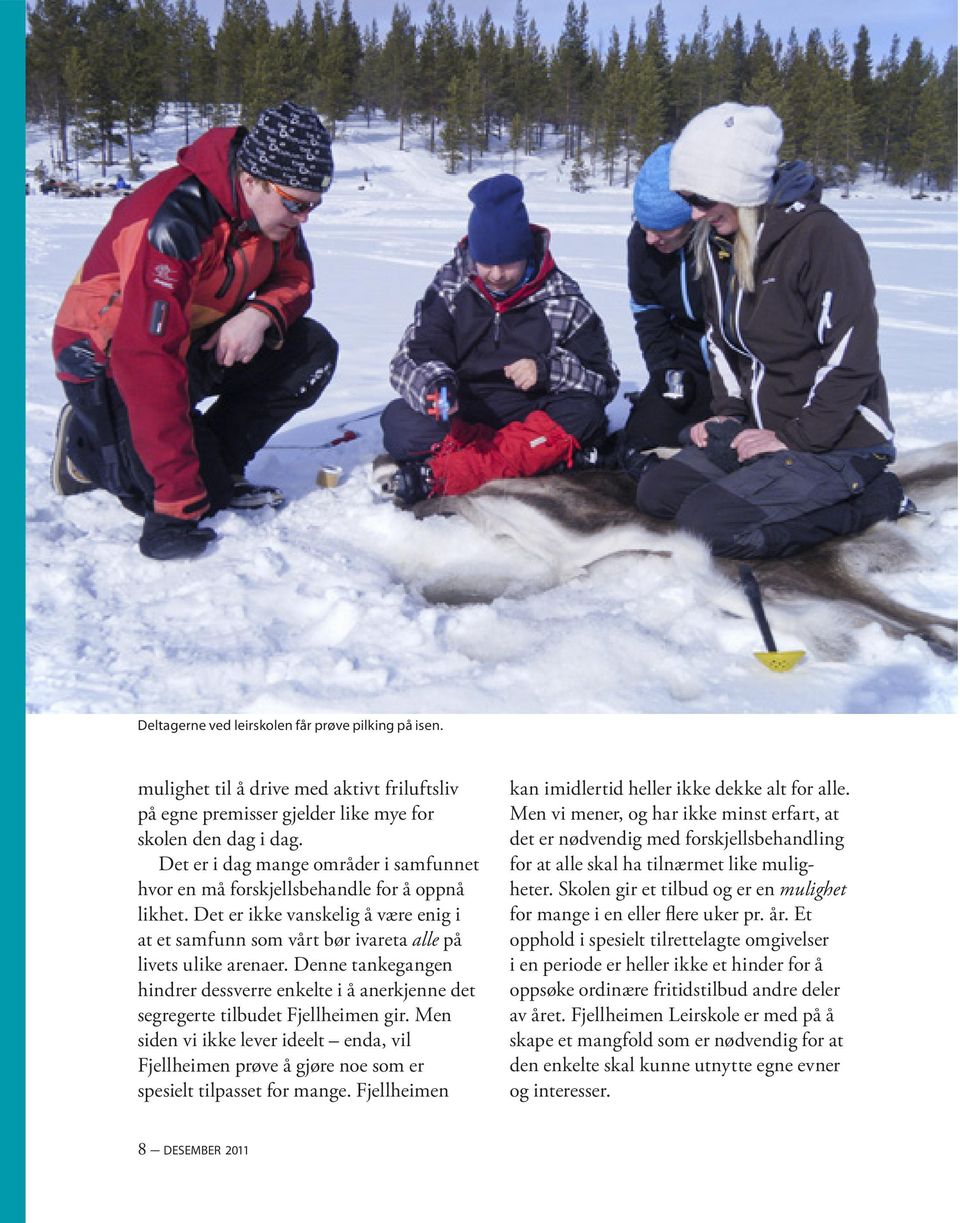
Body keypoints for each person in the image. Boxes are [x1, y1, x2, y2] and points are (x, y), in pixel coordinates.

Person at [51, 100, 339, 560]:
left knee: (312, 350)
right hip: (108, 360)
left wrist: (259, 313)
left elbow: (296, 281)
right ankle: (87, 446)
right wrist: (174, 507)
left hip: (188, 341)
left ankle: (217, 465)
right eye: (296, 204)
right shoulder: (174, 222)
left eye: (313, 206)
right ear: (251, 179)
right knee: (176, 492)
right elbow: (147, 360)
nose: (304, 219)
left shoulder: (271, 216)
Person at [633, 102, 905, 559]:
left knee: (709, 524)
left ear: (737, 186)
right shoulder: (723, 244)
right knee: (657, 493)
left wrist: (795, 439)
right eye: (688, 200)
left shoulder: (821, 240)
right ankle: (768, 472)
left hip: (834, 441)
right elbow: (720, 340)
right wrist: (729, 412)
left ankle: (876, 499)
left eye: (702, 198)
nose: (695, 214)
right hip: (762, 430)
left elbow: (851, 358)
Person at [380, 173, 619, 505]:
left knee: (584, 414)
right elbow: (411, 355)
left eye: (507, 264)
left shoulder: (565, 302)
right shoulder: (450, 288)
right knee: (398, 421)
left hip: (530, 415)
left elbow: (604, 382)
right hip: (466, 413)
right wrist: (436, 385)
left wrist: (546, 370)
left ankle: (449, 473)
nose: (495, 275)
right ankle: (528, 459)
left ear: (526, 254)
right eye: (485, 263)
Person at [622, 142, 711, 458]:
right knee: (640, 443)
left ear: (694, 220)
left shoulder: (721, 245)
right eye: (644, 225)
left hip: (737, 371)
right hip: (686, 362)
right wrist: (664, 368)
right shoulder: (643, 243)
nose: (650, 239)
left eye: (662, 230)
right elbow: (647, 310)